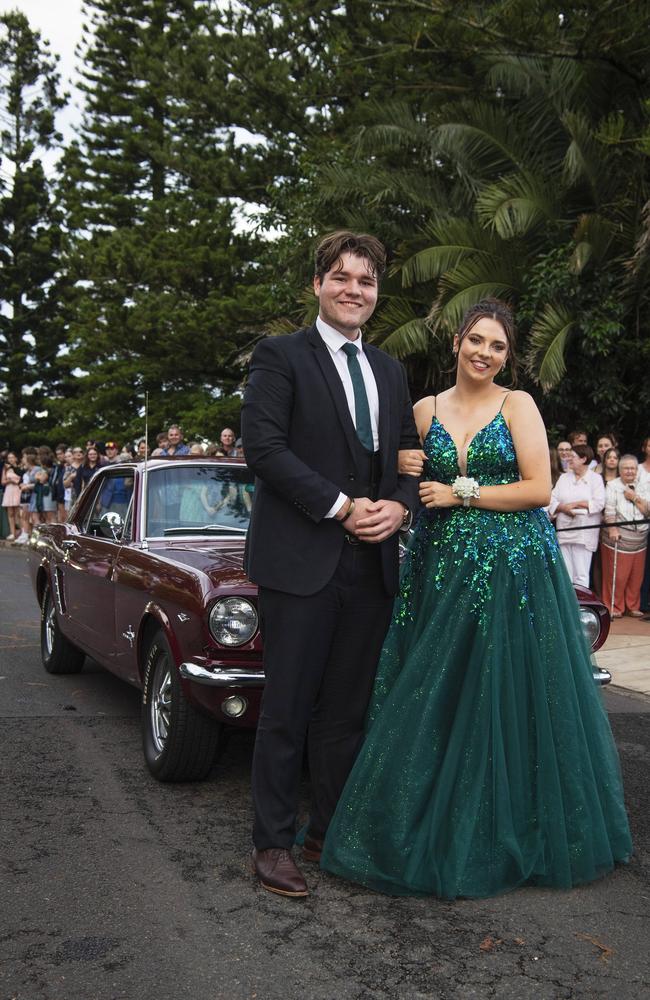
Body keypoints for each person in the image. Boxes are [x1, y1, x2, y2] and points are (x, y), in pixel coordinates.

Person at [321, 298, 631, 899]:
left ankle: (513, 828)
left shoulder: (518, 405)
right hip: (441, 569)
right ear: (457, 341)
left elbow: (539, 488)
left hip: (512, 567)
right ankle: (431, 819)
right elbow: (399, 480)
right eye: (477, 341)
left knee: (509, 696)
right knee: (441, 691)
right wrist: (406, 466)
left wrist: (460, 493)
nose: (485, 353)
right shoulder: (424, 408)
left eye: (498, 346)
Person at [241, 230, 420, 898]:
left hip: (371, 568)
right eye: (341, 277)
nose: (354, 290)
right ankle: (272, 844)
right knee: (286, 708)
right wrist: (343, 506)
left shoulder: (391, 371)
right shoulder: (280, 356)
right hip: (299, 563)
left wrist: (401, 508)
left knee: (345, 714)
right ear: (317, 285)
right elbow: (264, 449)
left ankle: (328, 834)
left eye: (366, 281)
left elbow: (407, 452)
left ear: (377, 293)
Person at [600, 455, 650, 618]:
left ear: (637, 470)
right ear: (620, 470)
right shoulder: (613, 485)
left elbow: (647, 510)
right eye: (626, 468)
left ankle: (632, 606)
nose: (630, 471)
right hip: (619, 538)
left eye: (633, 468)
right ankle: (614, 606)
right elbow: (609, 510)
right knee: (617, 576)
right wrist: (613, 529)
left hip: (641, 538)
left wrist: (634, 497)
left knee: (636, 576)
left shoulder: (643, 485)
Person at [549, 444, 605, 587]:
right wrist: (563, 507)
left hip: (584, 533)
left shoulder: (595, 479)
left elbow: (599, 503)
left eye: (572, 456)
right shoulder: (563, 478)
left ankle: (581, 608)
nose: (568, 459)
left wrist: (575, 505)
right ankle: (569, 607)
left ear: (583, 459)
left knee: (581, 574)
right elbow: (551, 499)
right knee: (566, 573)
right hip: (564, 531)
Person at [1, 452, 23, 540]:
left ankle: (21, 532)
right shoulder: (5, 468)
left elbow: (21, 478)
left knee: (18, 513)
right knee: (10, 513)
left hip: (17, 489)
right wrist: (10, 481)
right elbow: (3, 481)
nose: (10, 459)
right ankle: (12, 533)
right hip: (9, 490)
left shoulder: (20, 467)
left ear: (16, 458)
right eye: (9, 458)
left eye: (12, 457)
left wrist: (15, 481)